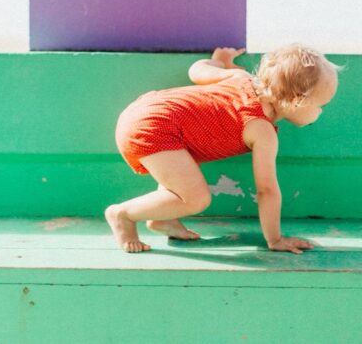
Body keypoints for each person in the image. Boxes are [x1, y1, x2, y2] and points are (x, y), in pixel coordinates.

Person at [106, 45, 340, 253]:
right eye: (322, 105)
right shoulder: (262, 131)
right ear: (297, 100)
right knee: (196, 199)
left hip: (146, 110)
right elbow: (267, 190)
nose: (321, 112)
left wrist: (219, 60)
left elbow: (196, 71)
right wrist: (275, 239)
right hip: (155, 127)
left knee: (183, 170)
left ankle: (164, 220)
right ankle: (123, 214)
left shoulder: (241, 78)